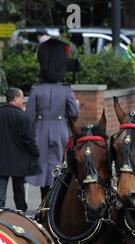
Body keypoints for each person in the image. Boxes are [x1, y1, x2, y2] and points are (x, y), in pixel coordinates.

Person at [25, 38, 80, 201]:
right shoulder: (66, 90)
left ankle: (44, 200)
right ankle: (56, 200)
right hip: (59, 128)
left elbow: (29, 117)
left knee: (42, 168)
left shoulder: (36, 89)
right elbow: (74, 113)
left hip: (40, 129)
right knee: (58, 166)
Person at [0, 88, 41, 211]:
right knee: (19, 194)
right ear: (15, 98)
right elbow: (29, 140)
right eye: (22, 98)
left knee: (0, 192)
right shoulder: (22, 116)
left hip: (1, 161)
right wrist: (36, 153)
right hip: (19, 162)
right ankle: (21, 216)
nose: (23, 101)